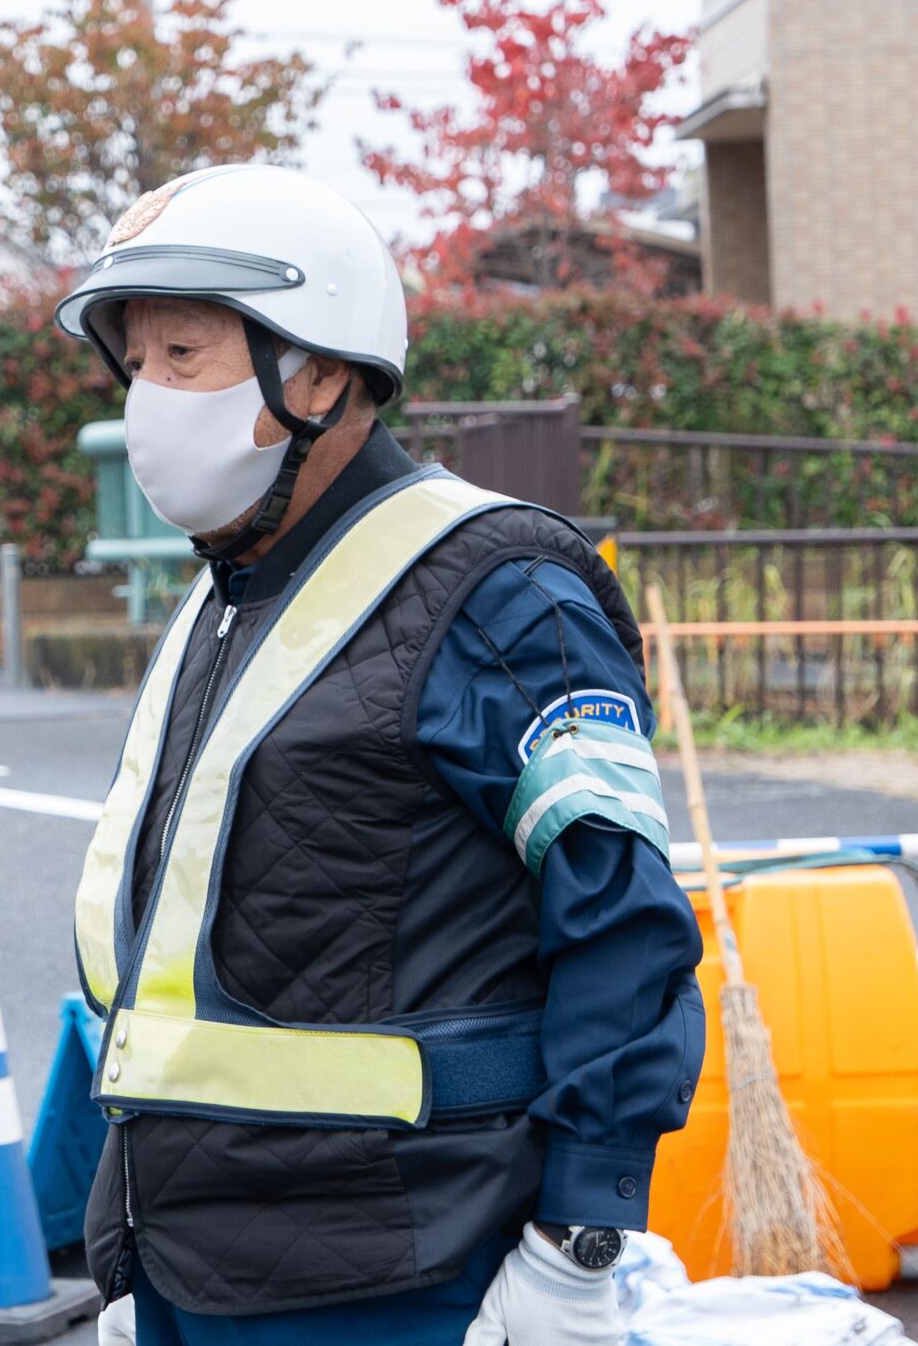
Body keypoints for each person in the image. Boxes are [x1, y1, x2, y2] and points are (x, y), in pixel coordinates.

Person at [55, 166, 706, 1346]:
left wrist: (581, 1240)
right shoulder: (224, 602)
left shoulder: (502, 592)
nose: (148, 396)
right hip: (191, 1265)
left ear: (315, 369)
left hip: (401, 1272)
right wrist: (124, 1254)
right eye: (135, 361)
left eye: (184, 354)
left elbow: (624, 926)